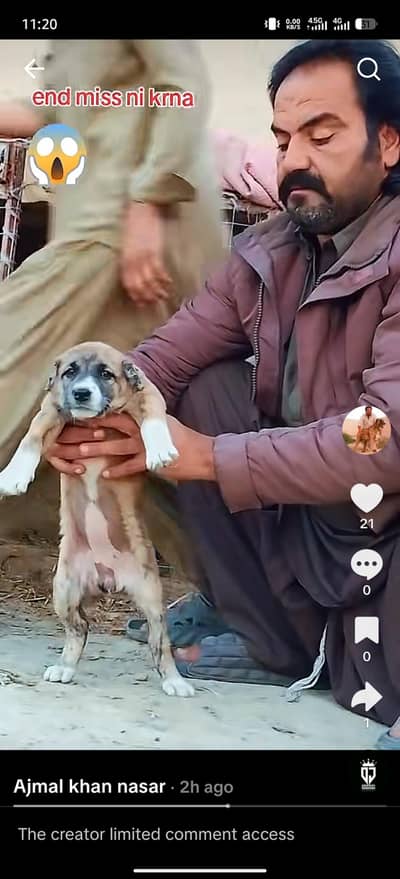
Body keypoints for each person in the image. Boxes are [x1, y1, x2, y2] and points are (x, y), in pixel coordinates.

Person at [46, 38, 400, 749]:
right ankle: (274, 636)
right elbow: (162, 358)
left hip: (383, 536)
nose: (294, 158)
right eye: (281, 138)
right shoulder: (267, 252)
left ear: (388, 142)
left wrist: (213, 458)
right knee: (187, 393)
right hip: (308, 527)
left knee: (376, 680)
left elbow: (381, 437)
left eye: (322, 135)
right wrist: (93, 424)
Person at [0, 39, 224, 541]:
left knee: (9, 366)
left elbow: (182, 85)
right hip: (98, 236)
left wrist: (146, 207)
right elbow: (60, 109)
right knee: (127, 435)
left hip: (117, 233)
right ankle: (239, 588)